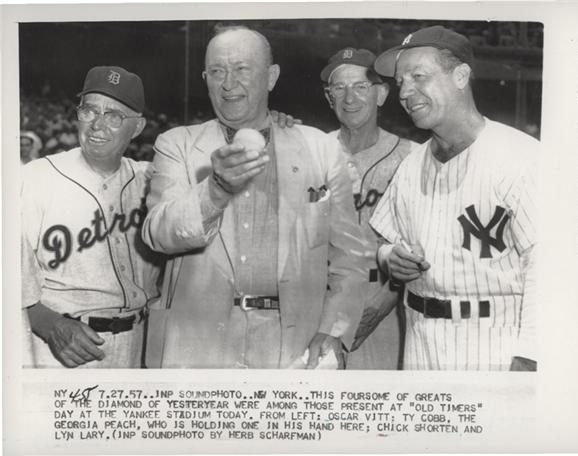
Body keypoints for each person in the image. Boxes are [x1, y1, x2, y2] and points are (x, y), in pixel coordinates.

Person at [142, 25, 368, 369]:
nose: (228, 83)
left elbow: (350, 259)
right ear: (205, 78)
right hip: (198, 344)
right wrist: (214, 189)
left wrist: (334, 330)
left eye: (242, 69)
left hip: (293, 345)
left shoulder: (321, 149)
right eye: (217, 71)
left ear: (271, 77)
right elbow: (157, 233)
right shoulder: (178, 145)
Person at [370, 26, 538, 371]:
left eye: (419, 76)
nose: (406, 91)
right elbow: (387, 244)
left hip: (493, 345)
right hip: (419, 343)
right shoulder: (411, 164)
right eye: (401, 82)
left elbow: (550, 268)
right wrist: (391, 259)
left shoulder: (523, 158)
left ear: (461, 75)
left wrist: (531, 357)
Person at [21, 66, 163, 368]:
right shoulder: (34, 178)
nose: (97, 125)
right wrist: (49, 325)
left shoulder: (152, 179)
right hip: (61, 350)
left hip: (141, 347)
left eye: (114, 116)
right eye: (89, 111)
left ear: (137, 128)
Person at [320, 47, 415, 369]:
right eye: (339, 88)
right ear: (328, 96)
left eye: (361, 87)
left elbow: (420, 249)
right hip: (318, 300)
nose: (350, 98)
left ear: (382, 94)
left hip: (385, 300)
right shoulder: (309, 151)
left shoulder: (411, 158)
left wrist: (379, 307)